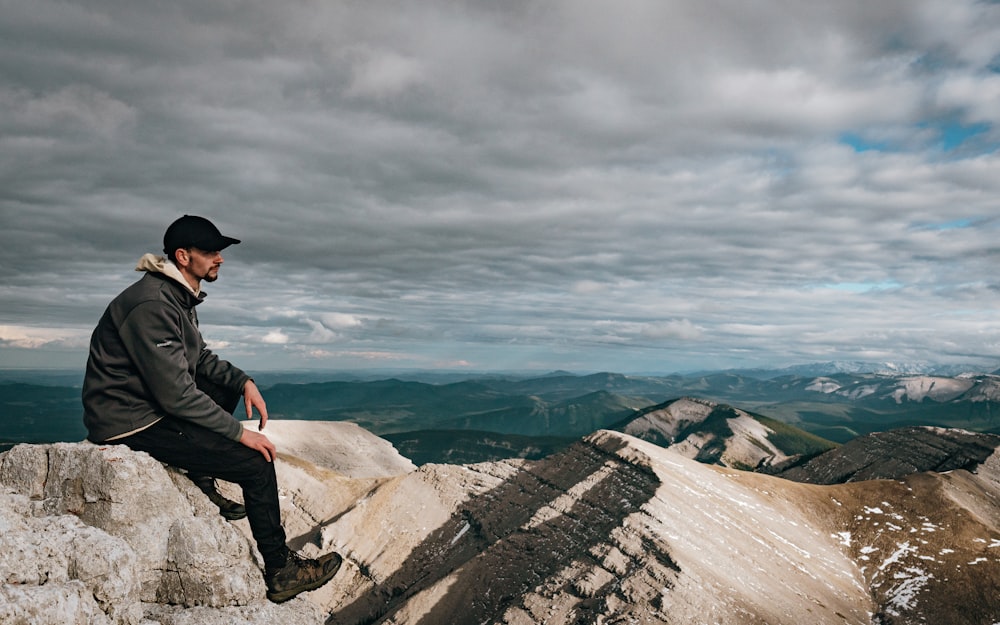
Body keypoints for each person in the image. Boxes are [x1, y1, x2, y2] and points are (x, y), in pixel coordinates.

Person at [82, 214, 341, 603]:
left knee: (223, 386)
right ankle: (281, 570)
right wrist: (241, 435)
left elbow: (197, 357)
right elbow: (177, 396)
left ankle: (201, 477)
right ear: (183, 256)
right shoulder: (152, 304)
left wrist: (242, 381)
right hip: (131, 421)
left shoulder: (175, 294)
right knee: (256, 465)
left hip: (143, 405)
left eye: (219, 251)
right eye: (210, 251)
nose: (219, 258)